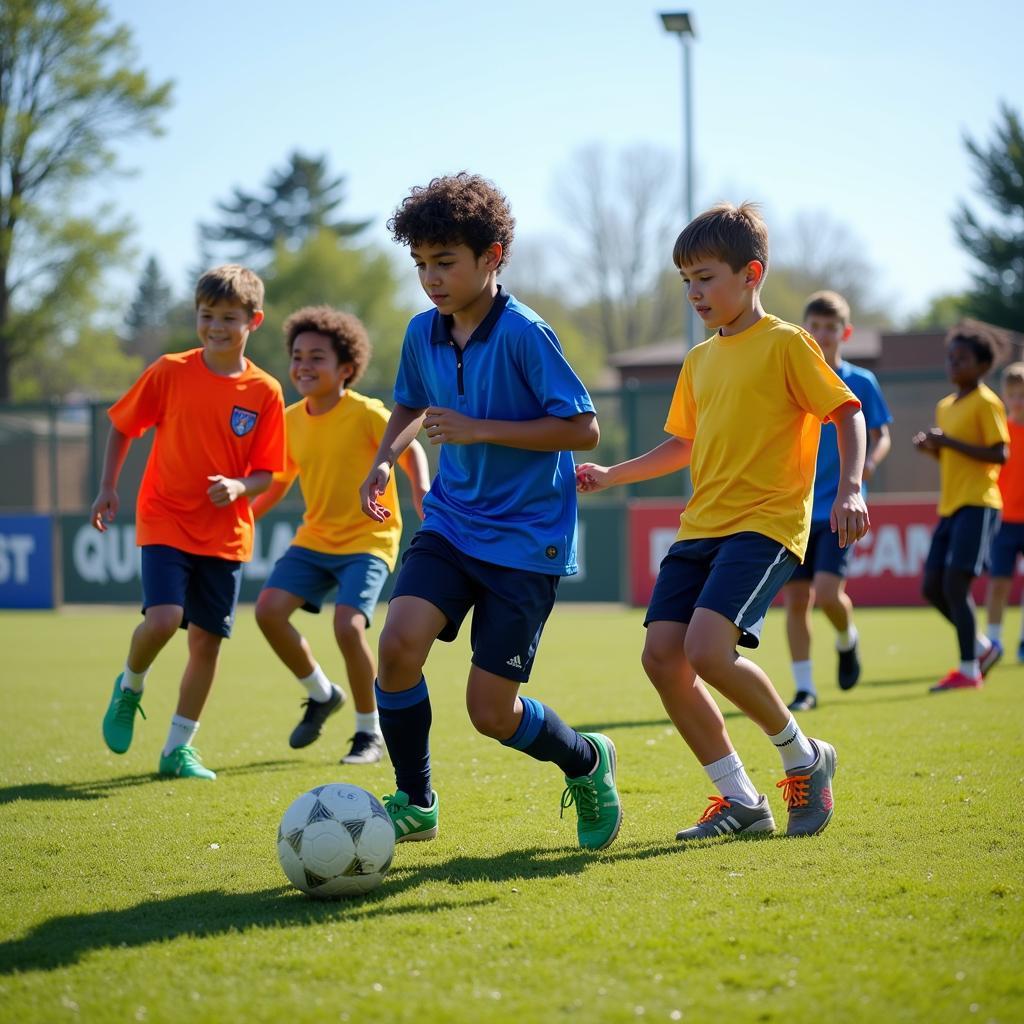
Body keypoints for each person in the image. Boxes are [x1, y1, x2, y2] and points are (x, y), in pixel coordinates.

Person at [577, 202, 868, 841]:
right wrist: (611, 475)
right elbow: (681, 445)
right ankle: (741, 800)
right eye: (686, 281)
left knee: (707, 650)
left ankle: (803, 757)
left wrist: (850, 488)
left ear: (751, 273)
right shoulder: (699, 360)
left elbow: (846, 413)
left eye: (705, 277)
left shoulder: (789, 344)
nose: (694, 293)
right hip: (700, 526)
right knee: (662, 658)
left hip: (765, 525)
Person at [359, 172, 621, 850]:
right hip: (451, 520)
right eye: (420, 263)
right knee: (396, 646)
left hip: (527, 540)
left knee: (490, 713)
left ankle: (586, 762)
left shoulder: (528, 334)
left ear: (492, 256)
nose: (431, 278)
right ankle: (415, 800)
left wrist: (479, 429)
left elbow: (583, 430)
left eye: (444, 262)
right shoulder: (423, 332)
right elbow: (412, 405)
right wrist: (386, 457)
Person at [91, 264, 286, 779]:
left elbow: (268, 474)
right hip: (164, 517)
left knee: (206, 641)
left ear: (254, 320)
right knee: (162, 619)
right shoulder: (170, 370)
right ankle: (130, 686)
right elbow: (121, 426)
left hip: (225, 534)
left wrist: (240, 486)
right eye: (207, 316)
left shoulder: (265, 391)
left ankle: (178, 749)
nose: (216, 326)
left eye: (228, 317)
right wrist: (109, 488)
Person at [252, 306, 430, 764]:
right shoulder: (290, 420)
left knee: (347, 625)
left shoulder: (367, 413)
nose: (303, 366)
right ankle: (320, 692)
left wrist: (421, 490)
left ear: (345, 369)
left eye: (317, 358)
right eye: (297, 357)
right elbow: (277, 480)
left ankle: (370, 733)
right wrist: (246, 515)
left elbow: (409, 450)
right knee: (269, 611)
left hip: (369, 539)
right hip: (315, 538)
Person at [782, 291, 892, 711]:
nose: (823, 334)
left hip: (841, 506)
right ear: (804, 330)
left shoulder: (861, 381)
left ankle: (848, 639)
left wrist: (868, 465)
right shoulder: (793, 380)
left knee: (827, 594)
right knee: (796, 599)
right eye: (815, 326)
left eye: (831, 328)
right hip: (798, 507)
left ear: (844, 332)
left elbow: (880, 435)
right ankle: (804, 689)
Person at [914, 320, 1008, 691]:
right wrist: (934, 449)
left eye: (963, 358)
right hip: (951, 507)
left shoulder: (987, 401)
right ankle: (983, 648)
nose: (954, 364)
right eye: (951, 358)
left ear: (983, 365)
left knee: (955, 583)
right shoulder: (945, 406)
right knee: (932, 587)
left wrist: (948, 443)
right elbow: (954, 459)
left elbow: (1000, 454)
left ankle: (969, 671)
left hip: (980, 504)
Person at [985, 361, 1024, 663]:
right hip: (1003, 521)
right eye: (1012, 394)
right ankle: (993, 642)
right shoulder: (1000, 432)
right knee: (999, 583)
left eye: (1022, 394)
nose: (1017, 400)